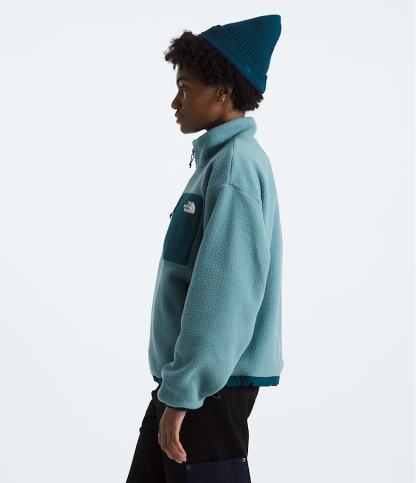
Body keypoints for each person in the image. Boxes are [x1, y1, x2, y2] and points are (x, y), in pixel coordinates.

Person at [126, 14, 283, 483]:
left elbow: (224, 294)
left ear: (223, 91)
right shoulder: (218, 164)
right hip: (189, 383)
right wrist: (178, 388)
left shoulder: (234, 168)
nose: (175, 102)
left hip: (207, 390)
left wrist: (185, 392)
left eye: (186, 88)